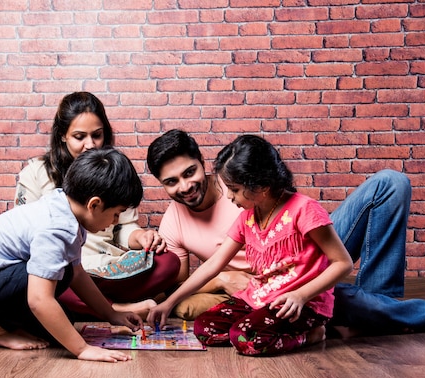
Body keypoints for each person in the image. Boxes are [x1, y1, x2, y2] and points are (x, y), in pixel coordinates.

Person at [147, 129, 425, 337]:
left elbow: (298, 217)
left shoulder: (243, 184)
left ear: (201, 161)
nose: (185, 187)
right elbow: (187, 278)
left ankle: (379, 303)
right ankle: (372, 314)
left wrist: (303, 285)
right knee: (339, 304)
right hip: (269, 288)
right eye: (171, 182)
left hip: (303, 257)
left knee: (391, 183)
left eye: (189, 173)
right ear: (161, 184)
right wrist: (223, 280)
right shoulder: (175, 220)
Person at [0, 148, 144, 363]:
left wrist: (110, 314)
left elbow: (79, 274)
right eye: (116, 214)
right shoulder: (57, 228)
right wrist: (82, 349)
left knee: (64, 317)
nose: (115, 221)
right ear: (94, 204)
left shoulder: (65, 207)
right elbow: (39, 300)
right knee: (61, 277)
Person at [147, 135, 353, 355]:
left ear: (260, 186)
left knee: (247, 338)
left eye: (234, 189)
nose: (229, 196)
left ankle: (313, 334)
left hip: (299, 301)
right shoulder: (247, 217)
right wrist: (169, 303)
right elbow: (214, 263)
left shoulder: (304, 209)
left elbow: (343, 263)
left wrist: (300, 296)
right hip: (261, 296)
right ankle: (259, 326)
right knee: (204, 328)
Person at [15, 92, 180, 319]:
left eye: (97, 135)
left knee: (169, 262)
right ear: (63, 136)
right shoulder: (36, 173)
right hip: (64, 269)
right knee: (39, 274)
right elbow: (24, 235)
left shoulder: (115, 170)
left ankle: (88, 306)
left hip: (108, 267)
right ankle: (114, 309)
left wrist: (141, 237)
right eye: (79, 136)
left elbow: (123, 229)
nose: (90, 145)